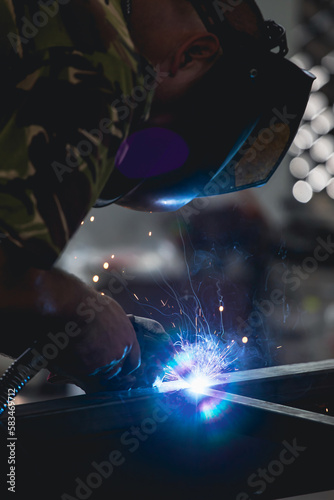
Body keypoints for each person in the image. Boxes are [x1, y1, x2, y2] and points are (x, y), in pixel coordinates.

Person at [0, 0, 311, 392]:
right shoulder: (104, 61)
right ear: (193, 55)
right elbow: (8, 283)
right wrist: (83, 317)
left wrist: (63, 337)